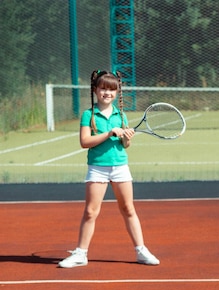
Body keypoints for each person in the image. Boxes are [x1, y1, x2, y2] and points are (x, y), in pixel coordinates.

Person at [58, 70, 159, 268]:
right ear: (95, 90)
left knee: (128, 209)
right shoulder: (88, 115)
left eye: (112, 89)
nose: (107, 93)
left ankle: (141, 251)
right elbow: (85, 142)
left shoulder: (121, 115)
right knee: (90, 212)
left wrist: (126, 137)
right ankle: (80, 254)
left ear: (117, 92)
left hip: (120, 167)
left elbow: (124, 145)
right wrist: (109, 133)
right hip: (97, 169)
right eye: (103, 88)